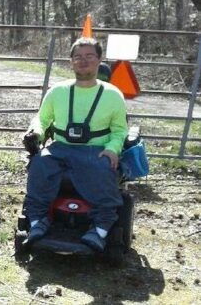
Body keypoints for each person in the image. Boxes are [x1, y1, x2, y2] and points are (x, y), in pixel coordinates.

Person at [23, 37, 128, 252]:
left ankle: (100, 229)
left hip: (95, 149)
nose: (83, 61)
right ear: (71, 61)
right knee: (39, 164)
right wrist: (36, 133)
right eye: (78, 57)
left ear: (99, 60)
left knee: (104, 168)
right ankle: (37, 222)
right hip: (61, 146)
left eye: (89, 56)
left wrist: (112, 148)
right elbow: (42, 119)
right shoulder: (57, 92)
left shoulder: (113, 95)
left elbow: (119, 130)